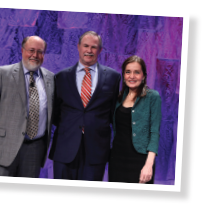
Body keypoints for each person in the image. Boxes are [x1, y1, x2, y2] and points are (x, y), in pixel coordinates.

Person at [0, 36, 54, 177]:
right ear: (22, 50)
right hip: (2, 148)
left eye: (40, 52)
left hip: (34, 150)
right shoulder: (2, 73)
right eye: (31, 50)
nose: (35, 55)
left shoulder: (50, 78)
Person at [49, 31, 121, 181]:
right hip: (65, 147)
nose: (89, 50)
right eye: (86, 46)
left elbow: (113, 112)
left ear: (100, 50)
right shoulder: (61, 77)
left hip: (96, 150)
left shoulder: (113, 77)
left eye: (94, 47)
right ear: (78, 47)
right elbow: (55, 113)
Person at [108, 55, 161, 184]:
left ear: (143, 76)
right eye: (128, 72)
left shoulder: (152, 97)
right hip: (117, 159)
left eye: (136, 72)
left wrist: (149, 165)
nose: (132, 76)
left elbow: (154, 132)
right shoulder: (118, 98)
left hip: (140, 160)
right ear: (124, 75)